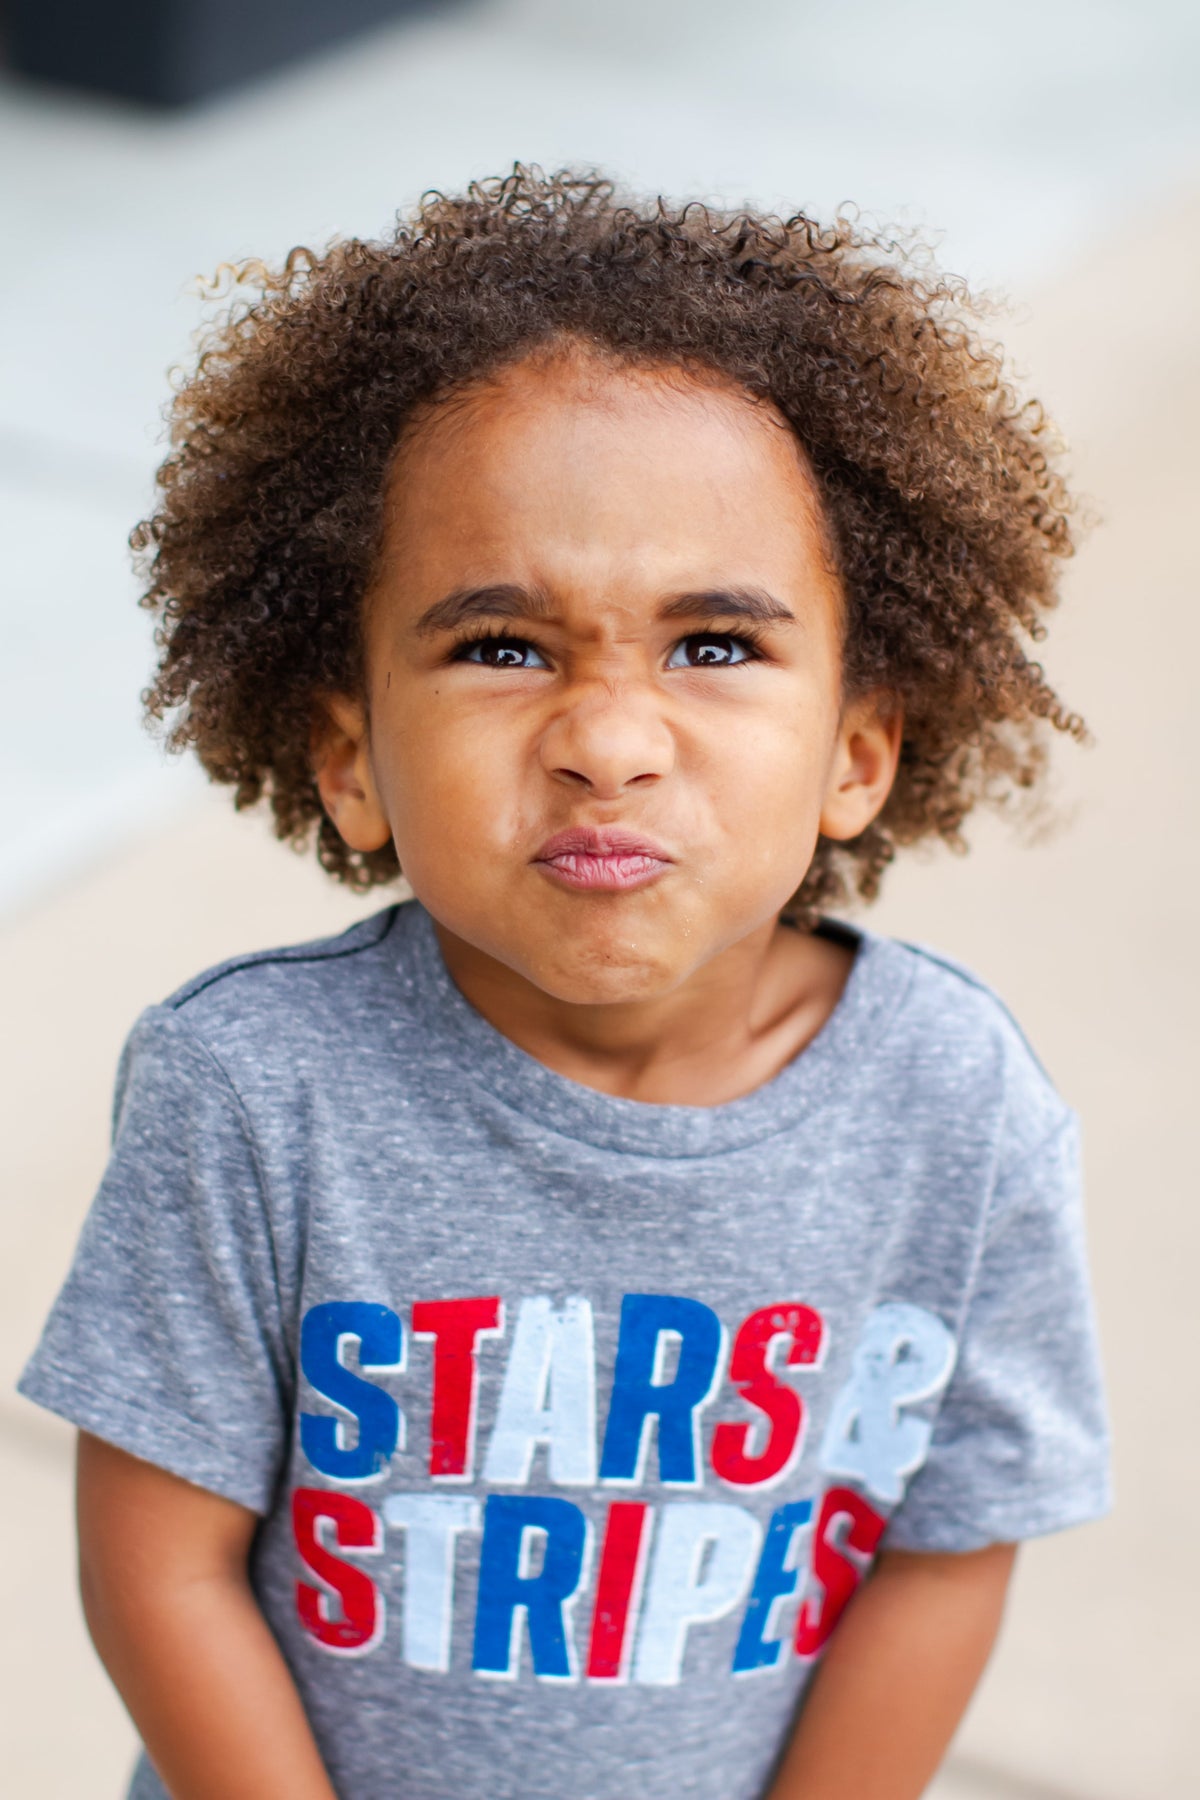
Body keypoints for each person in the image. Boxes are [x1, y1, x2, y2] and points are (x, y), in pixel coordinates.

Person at [19, 168, 1111, 1800]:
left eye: (714, 646)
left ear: (860, 752)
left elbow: (946, 1548)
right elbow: (159, 1567)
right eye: (503, 648)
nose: (607, 740)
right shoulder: (251, 1088)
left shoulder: (957, 1107)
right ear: (350, 759)